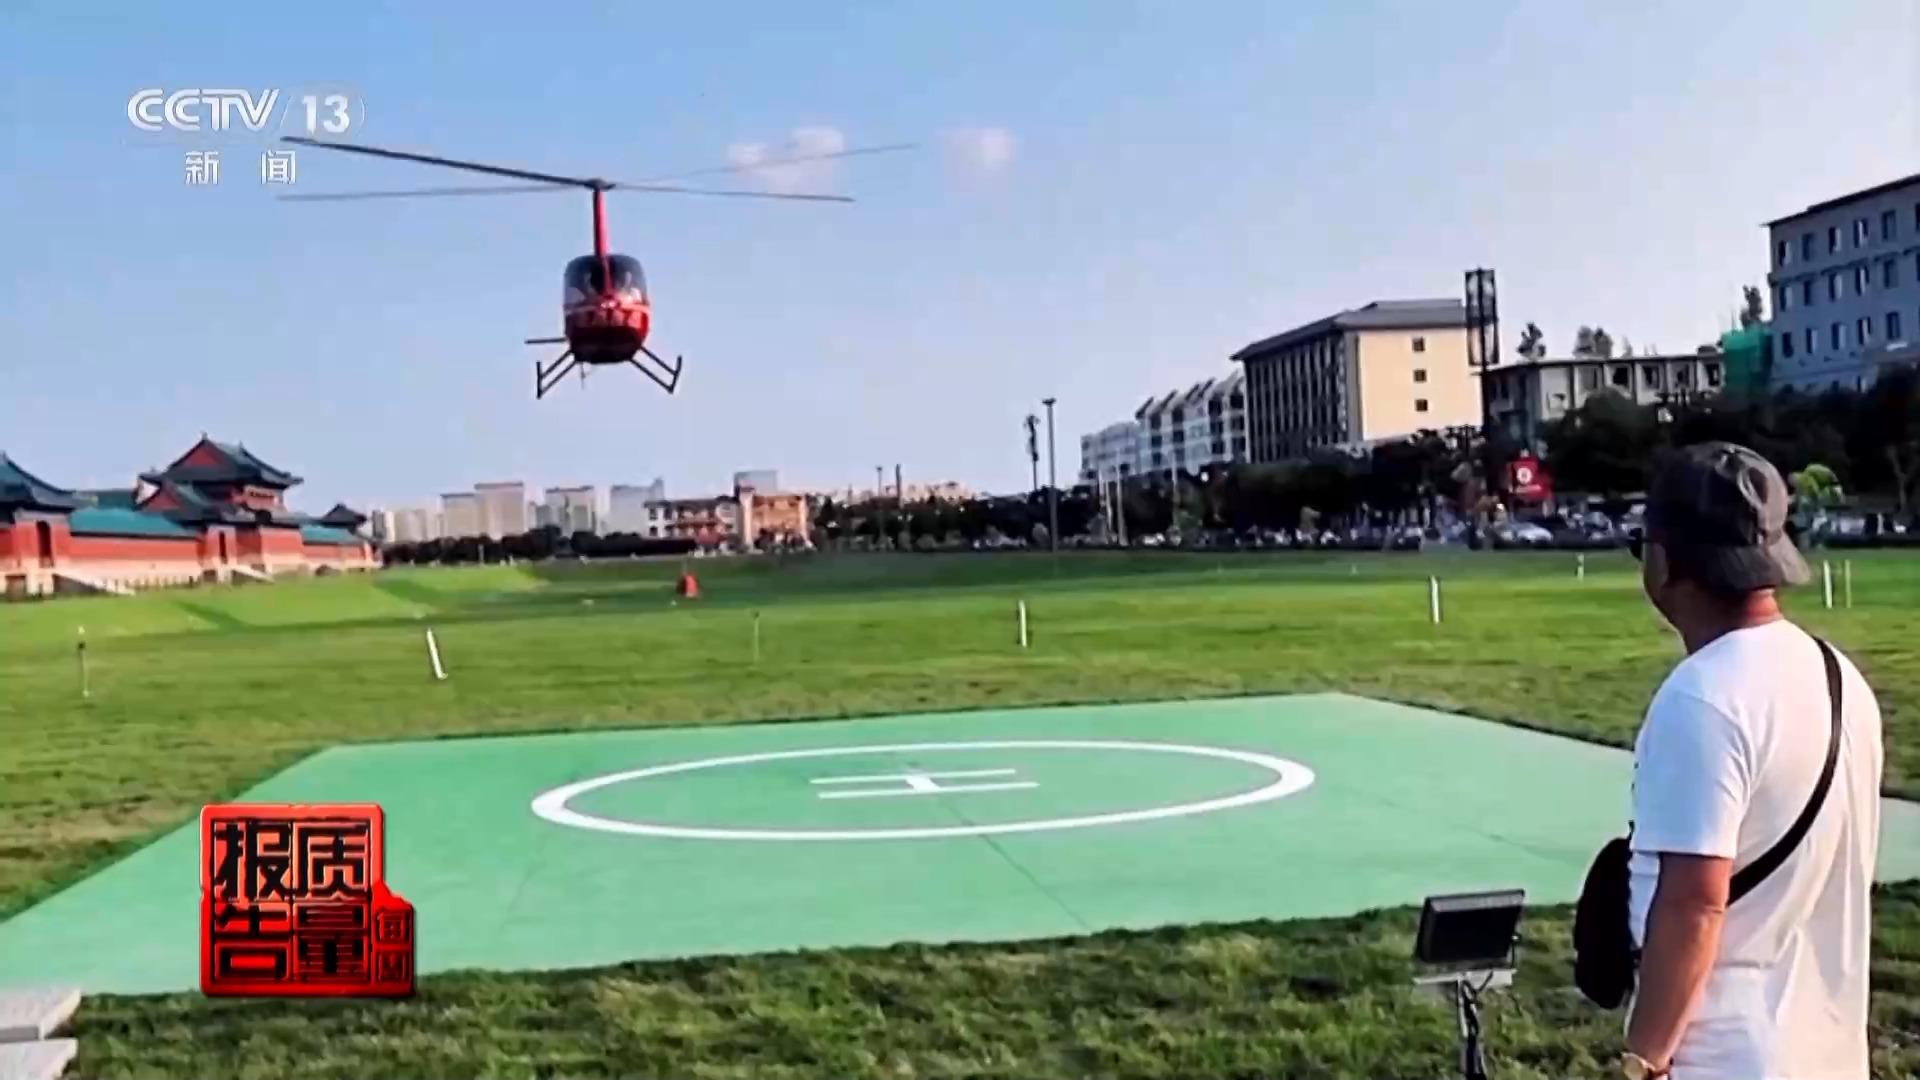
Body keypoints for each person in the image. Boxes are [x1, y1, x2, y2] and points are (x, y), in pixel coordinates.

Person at [1620, 442, 1884, 1080]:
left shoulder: (1702, 696)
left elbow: (1694, 905)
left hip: (1726, 1057)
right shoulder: (1838, 675)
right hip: (1829, 1047)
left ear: (1664, 560)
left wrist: (1644, 1061)